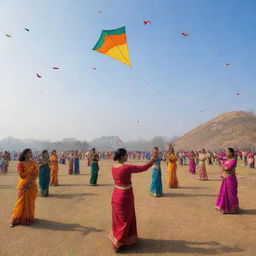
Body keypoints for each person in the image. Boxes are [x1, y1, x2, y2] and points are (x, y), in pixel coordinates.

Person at [109, 148, 159, 252]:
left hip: (116, 195)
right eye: (126, 155)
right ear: (122, 156)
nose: (127, 156)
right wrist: (152, 161)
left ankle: (119, 238)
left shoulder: (113, 167)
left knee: (119, 219)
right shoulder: (126, 168)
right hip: (125, 196)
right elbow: (142, 168)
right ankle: (119, 242)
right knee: (126, 219)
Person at [10, 149, 38, 227]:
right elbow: (21, 175)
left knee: (30, 202)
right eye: (29, 152)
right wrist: (30, 172)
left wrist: (31, 181)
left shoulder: (33, 163)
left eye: (31, 152)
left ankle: (28, 218)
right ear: (25, 154)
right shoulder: (20, 164)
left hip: (32, 185)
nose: (31, 153)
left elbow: (36, 174)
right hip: (23, 185)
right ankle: (15, 218)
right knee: (20, 201)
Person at [215, 148, 239, 214]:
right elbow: (223, 167)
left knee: (231, 194)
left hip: (230, 179)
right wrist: (219, 162)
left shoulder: (233, 161)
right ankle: (224, 207)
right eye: (225, 152)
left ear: (231, 153)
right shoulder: (226, 160)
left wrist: (221, 163)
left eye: (227, 152)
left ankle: (232, 208)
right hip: (225, 178)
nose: (226, 153)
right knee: (224, 193)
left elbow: (227, 168)